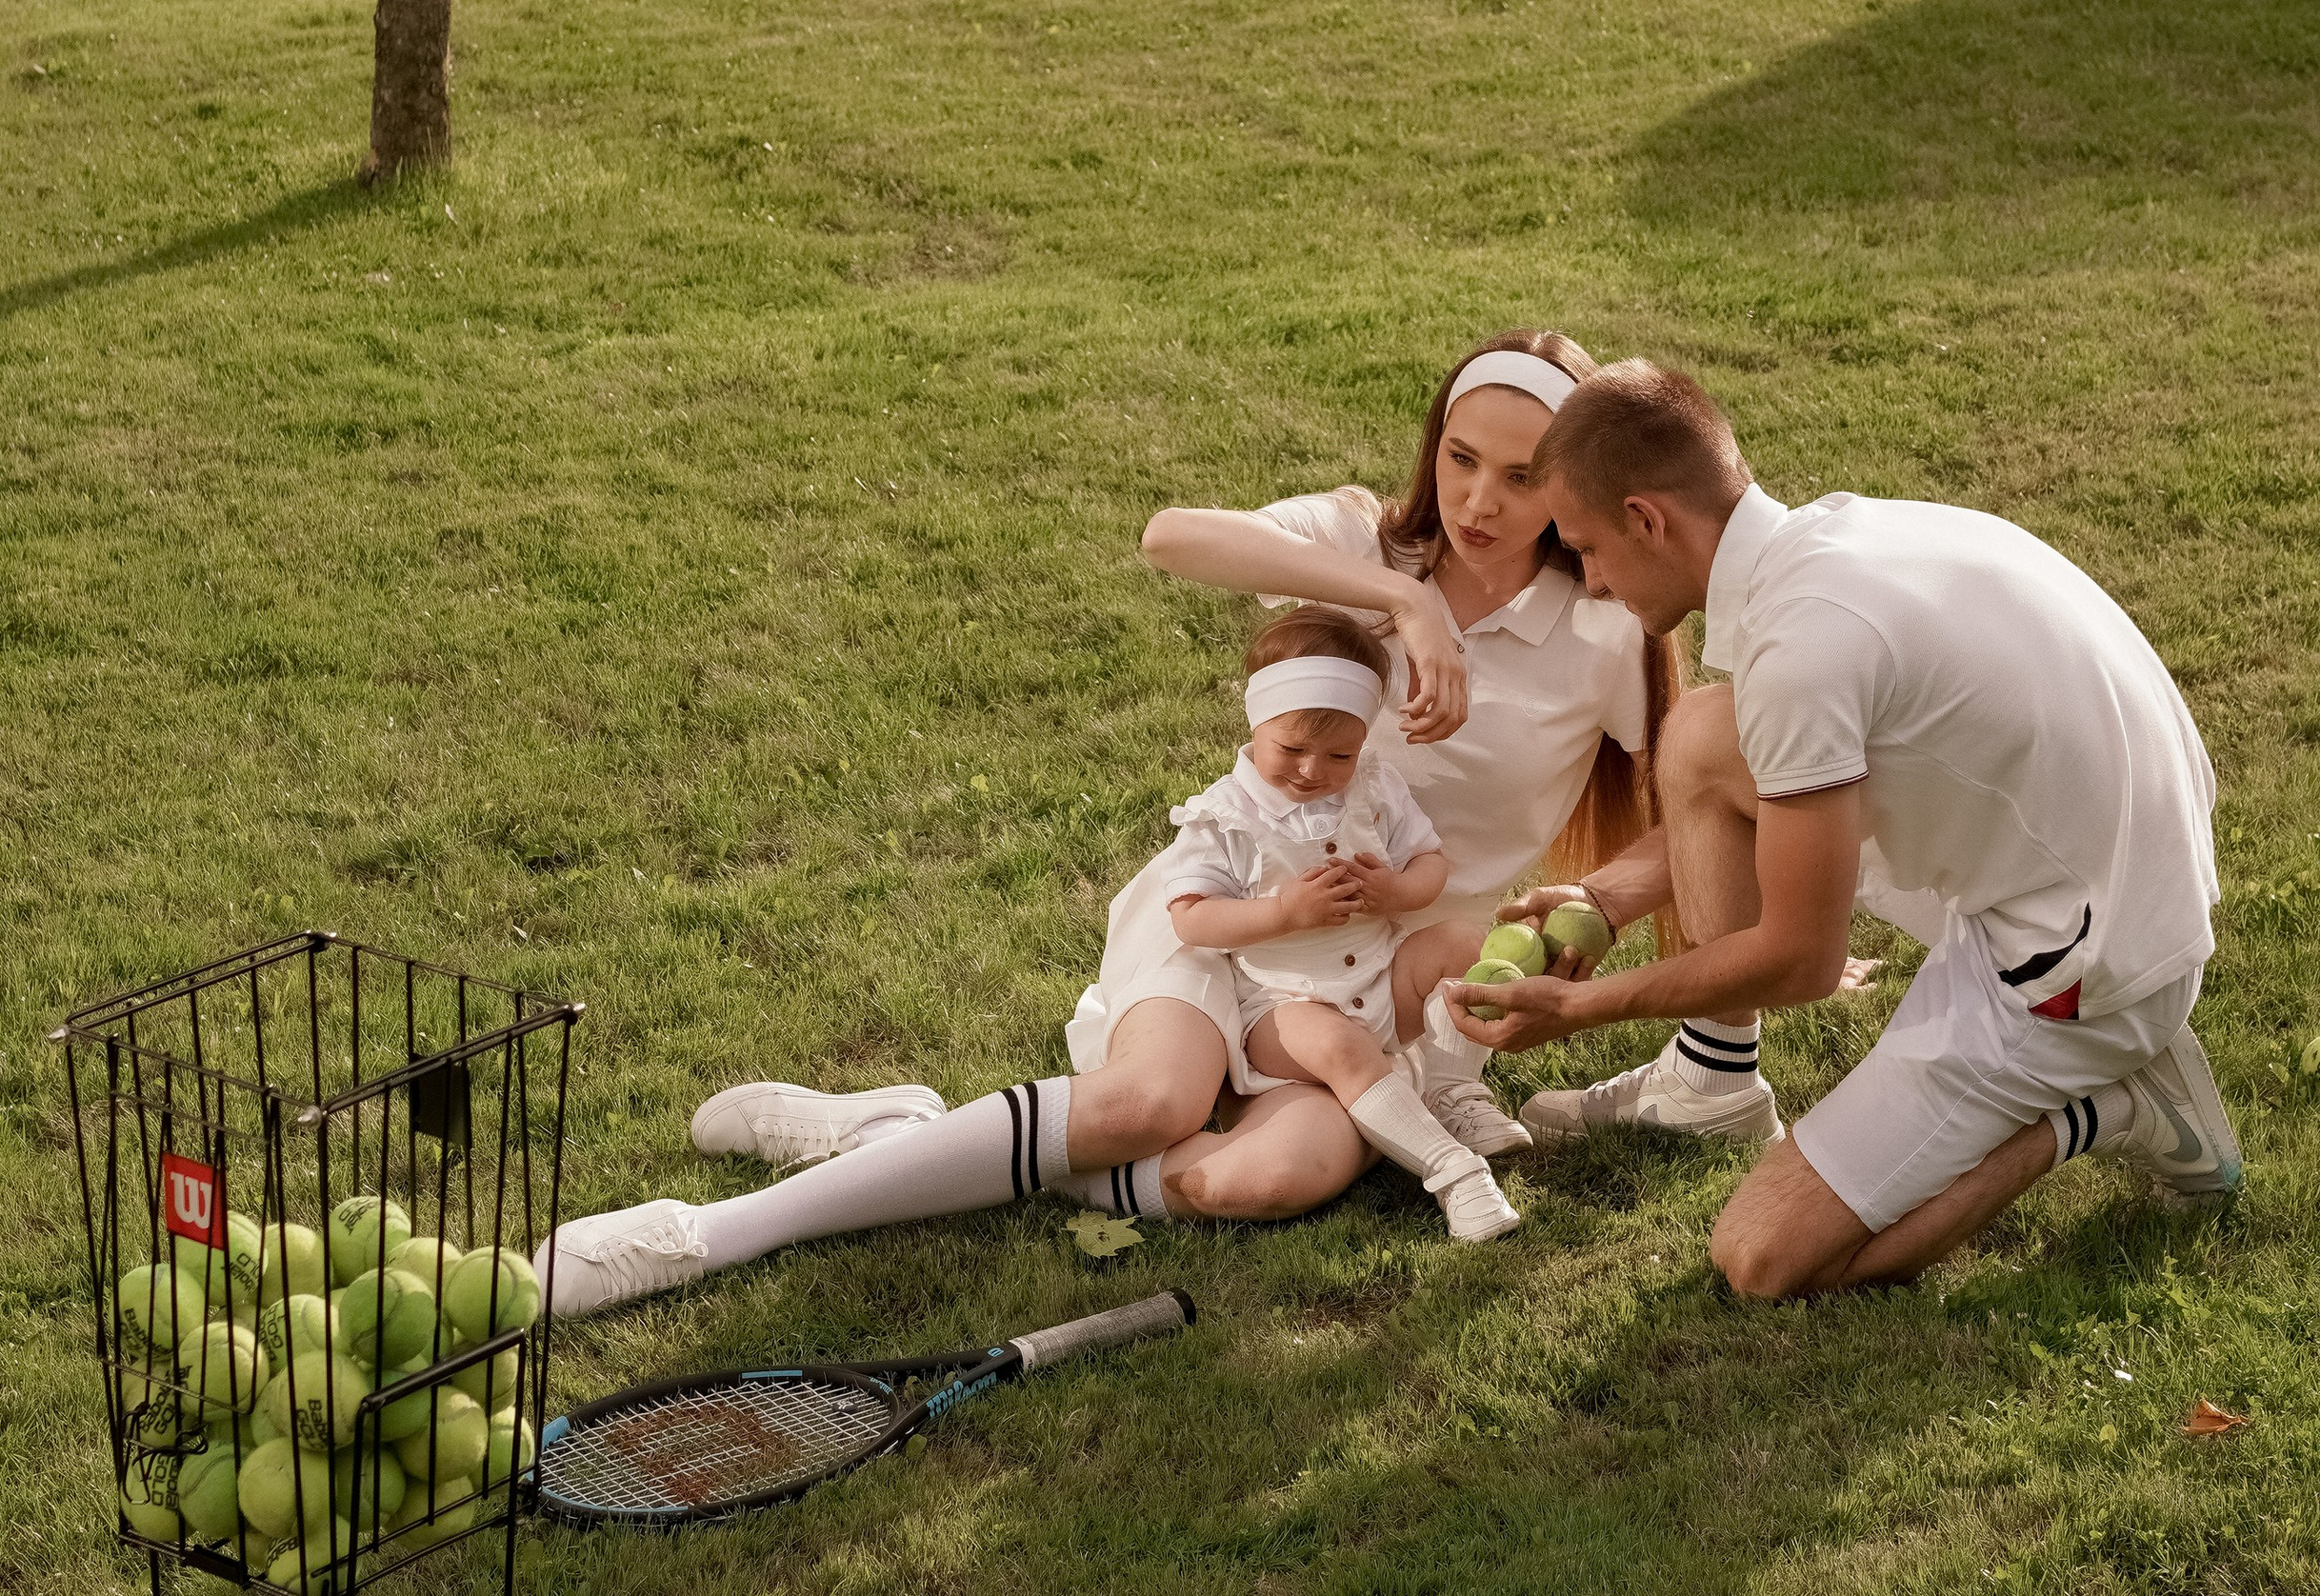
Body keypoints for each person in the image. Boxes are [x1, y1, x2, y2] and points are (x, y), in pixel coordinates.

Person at [540, 331, 1728, 1316]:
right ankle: (708, 1234)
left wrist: (1596, 898)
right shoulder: (1364, 538)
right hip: (1226, 908)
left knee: (1273, 1176)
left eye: (1522, 479)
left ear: (1569, 491)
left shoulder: (1605, 626)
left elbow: (1700, 805)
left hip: (1384, 964)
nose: (1479, 499)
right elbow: (1171, 535)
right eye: (1462, 458)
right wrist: (1396, 596)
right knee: (1147, 1108)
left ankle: (902, 1135)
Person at [1446, 360, 2241, 1298]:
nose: (1591, 580)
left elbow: (1800, 961)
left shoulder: (1803, 650)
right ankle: (1712, 1082)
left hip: (2077, 973)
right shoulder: (1839, 536)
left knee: (1764, 1258)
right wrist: (1602, 899)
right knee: (1705, 733)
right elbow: (1769, 782)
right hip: (2112, 864)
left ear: (1647, 518)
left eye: (1587, 548)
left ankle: (2114, 1105)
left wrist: (1583, 1009)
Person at [1160, 608, 1516, 1243]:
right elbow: (1191, 918)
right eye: (1290, 749)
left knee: (1469, 944)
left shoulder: (1375, 786)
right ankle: (1452, 1173)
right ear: (1256, 722)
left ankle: (1449, 1088)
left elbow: (1431, 863)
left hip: (1380, 981)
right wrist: (1282, 912)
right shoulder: (1224, 817)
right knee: (1342, 1048)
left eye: (1339, 754)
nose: (1311, 770)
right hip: (1284, 1009)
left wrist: (1394, 893)